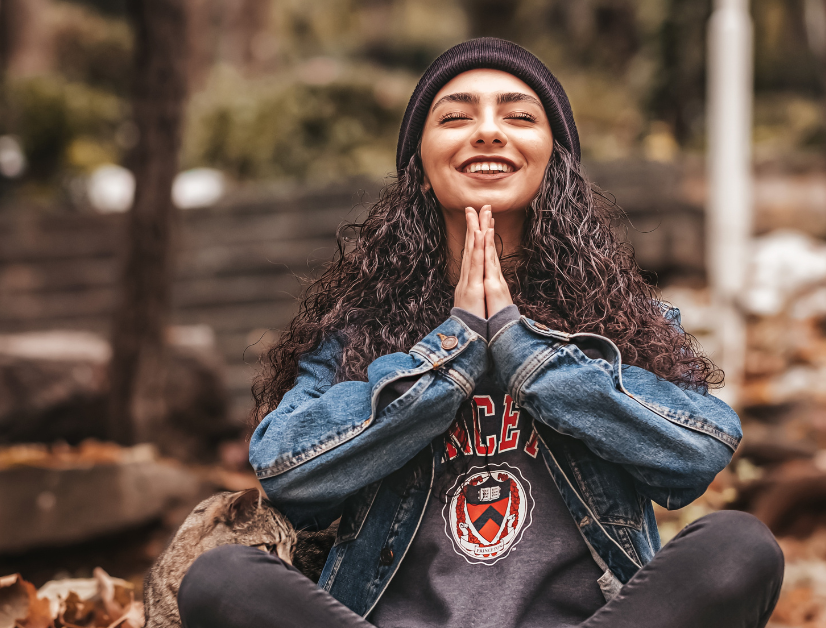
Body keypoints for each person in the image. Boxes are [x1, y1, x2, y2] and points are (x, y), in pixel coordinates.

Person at [178, 37, 784, 628]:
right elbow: (286, 472)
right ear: (420, 170)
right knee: (222, 580)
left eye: (519, 115)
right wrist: (453, 349)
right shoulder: (354, 335)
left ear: (556, 168)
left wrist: (529, 356)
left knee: (739, 547)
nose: (489, 131)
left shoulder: (625, 323)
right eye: (456, 117)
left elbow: (700, 451)